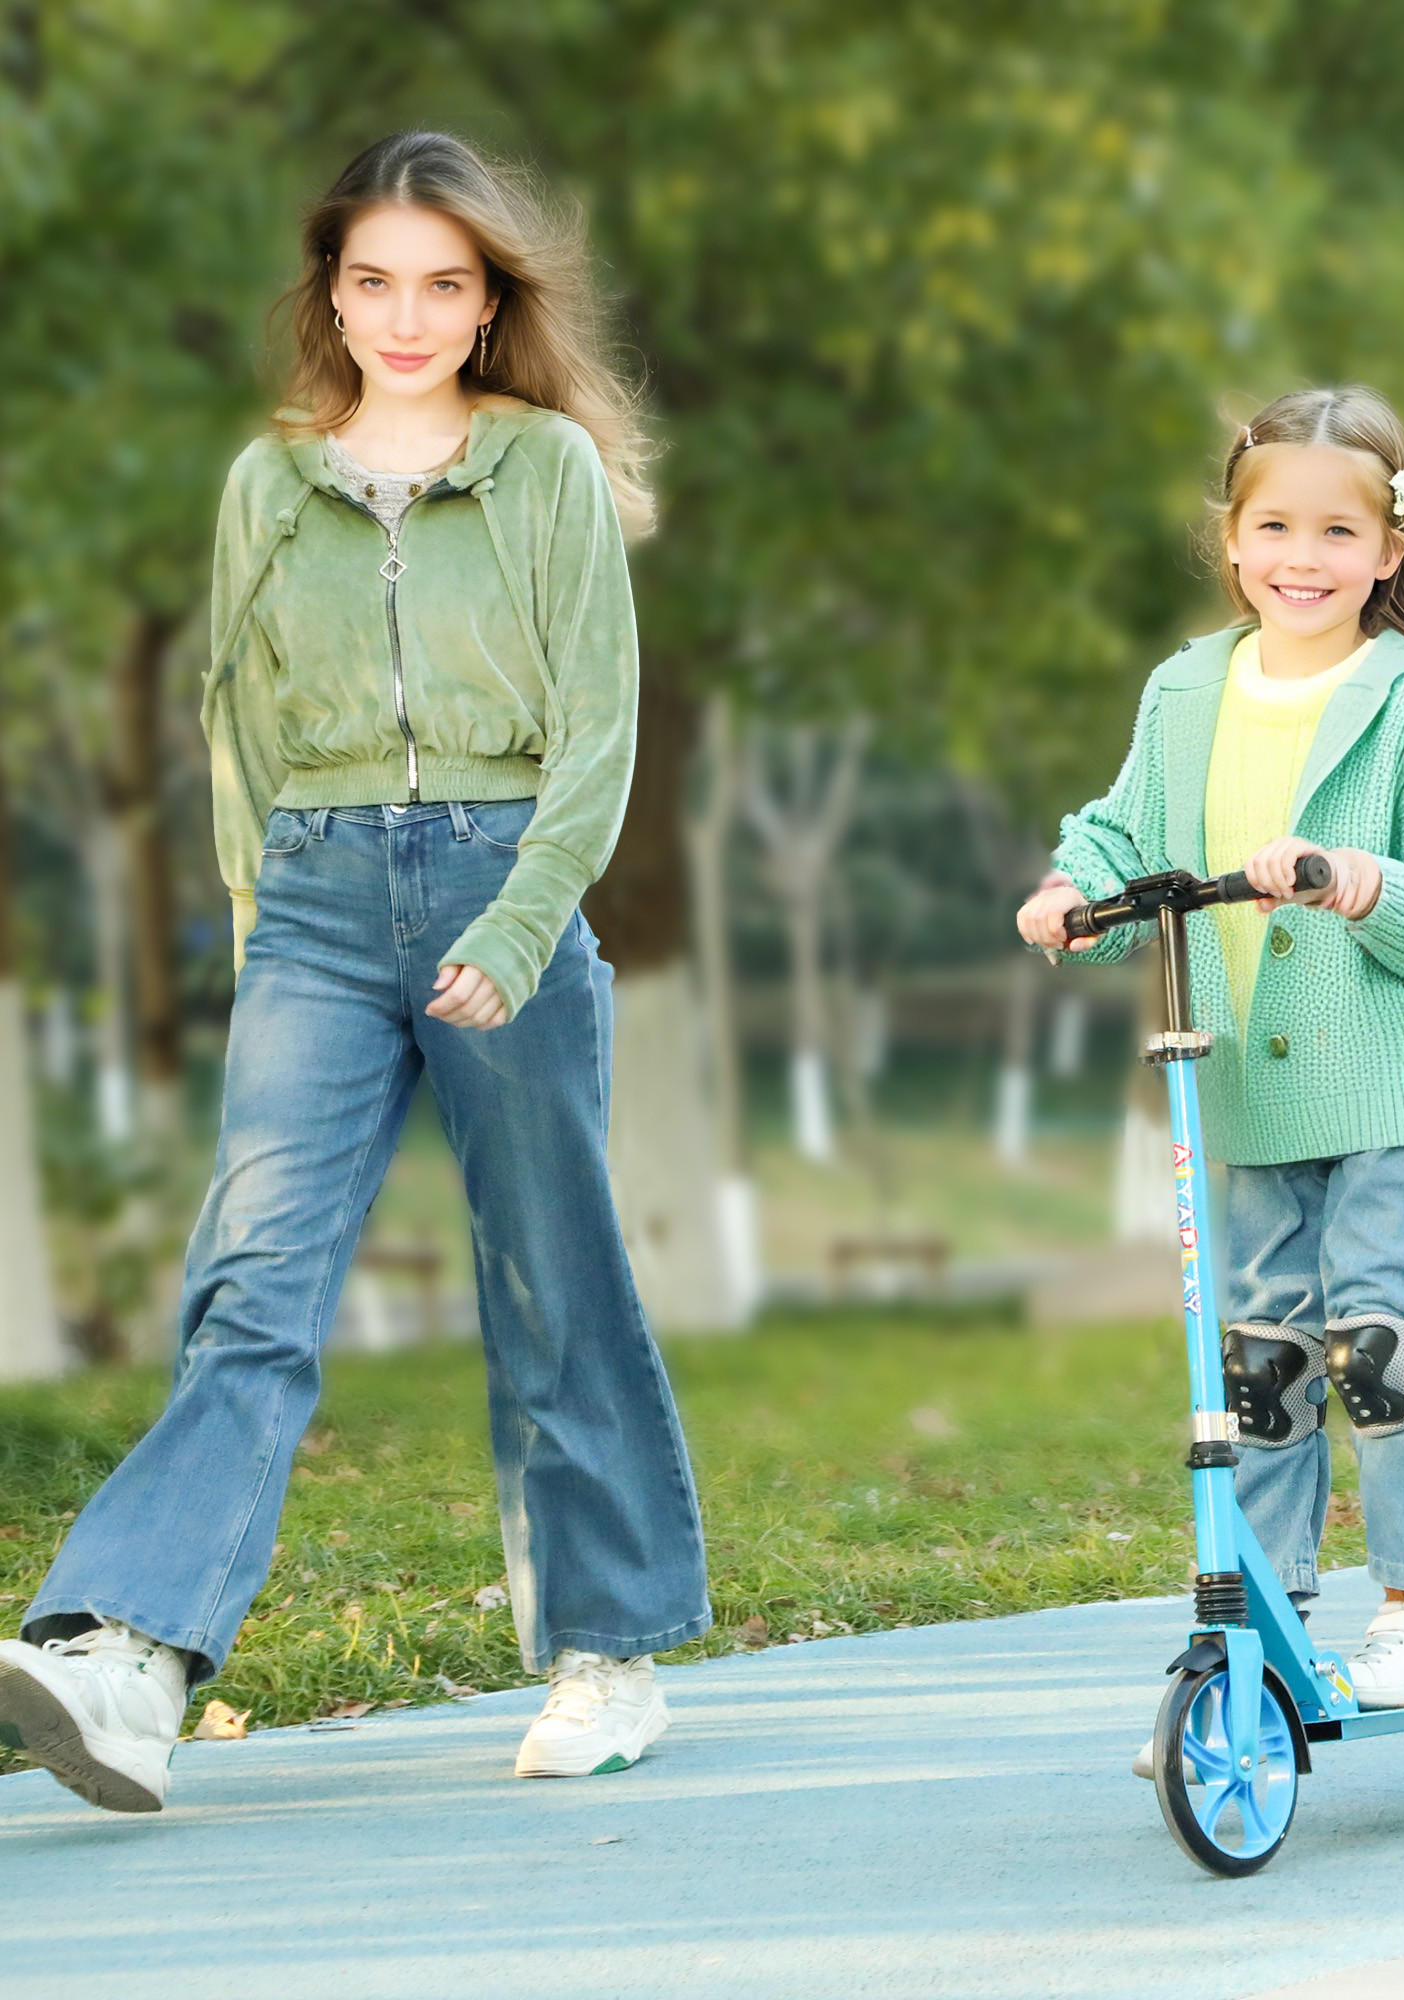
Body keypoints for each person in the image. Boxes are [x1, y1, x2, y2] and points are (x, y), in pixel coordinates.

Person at [0, 132, 710, 1813]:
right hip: (316, 901)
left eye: (444, 285)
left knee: (550, 1274)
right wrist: (268, 930)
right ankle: (129, 1659)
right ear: (331, 289)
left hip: (501, 879)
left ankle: (607, 1653)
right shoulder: (273, 478)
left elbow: (600, 734)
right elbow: (231, 724)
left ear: (488, 301)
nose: (406, 317)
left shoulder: (542, 472)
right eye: (373, 280)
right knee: (252, 1278)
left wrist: (520, 924)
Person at [1016, 386, 1404, 1738]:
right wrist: (1076, 889)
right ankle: (1270, 1628)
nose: (1306, 556)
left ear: (1389, 552)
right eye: (1278, 526)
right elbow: (1128, 834)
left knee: (1372, 1344)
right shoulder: (1186, 688)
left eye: (1339, 531)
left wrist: (1363, 883)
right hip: (1249, 1085)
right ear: (1232, 540)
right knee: (1264, 1368)